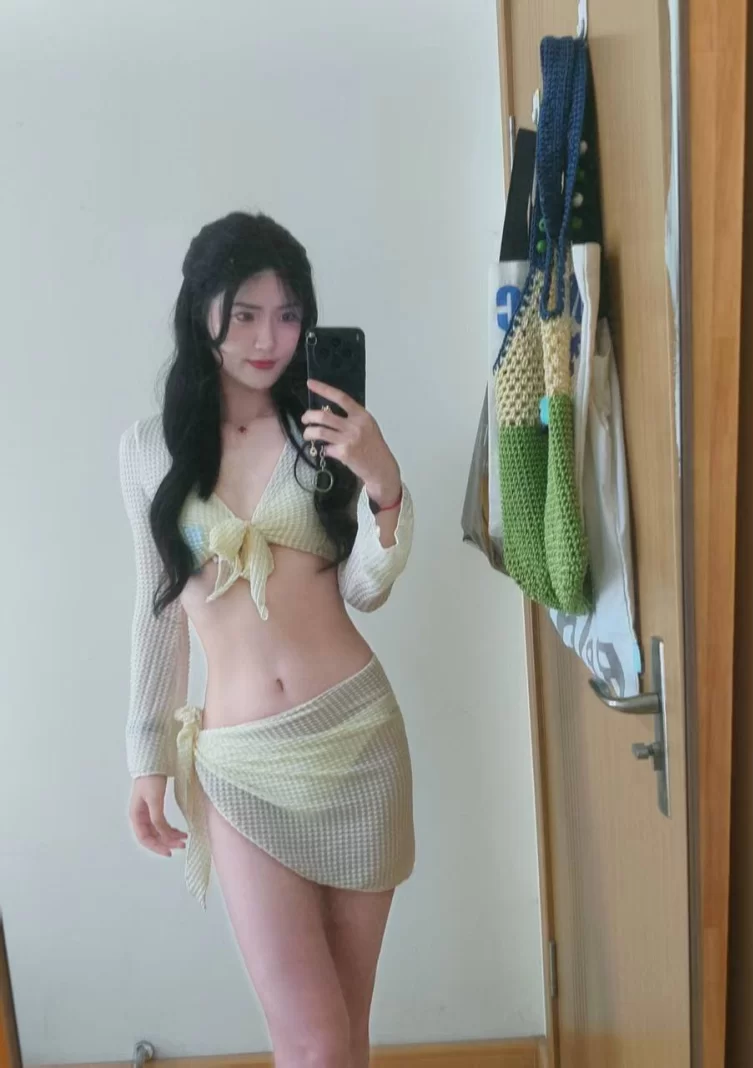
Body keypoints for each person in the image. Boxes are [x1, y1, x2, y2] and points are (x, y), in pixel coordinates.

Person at [119, 211, 415, 1068]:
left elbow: (364, 589)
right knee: (313, 1041)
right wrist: (146, 756)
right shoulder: (149, 451)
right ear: (202, 311)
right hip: (242, 769)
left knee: (343, 1037)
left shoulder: (324, 430)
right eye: (245, 313)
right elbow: (158, 610)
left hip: (359, 742)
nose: (268, 339)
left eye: (288, 315)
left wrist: (385, 487)